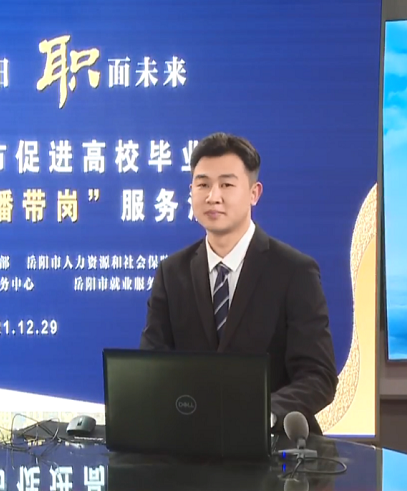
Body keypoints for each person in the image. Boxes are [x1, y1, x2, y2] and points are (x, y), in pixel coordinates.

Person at [139, 132, 338, 434]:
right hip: (189, 441)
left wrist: (262, 413)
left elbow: (318, 375)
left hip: (271, 443)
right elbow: (152, 366)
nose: (213, 196)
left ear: (254, 193)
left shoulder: (295, 271)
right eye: (202, 184)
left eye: (227, 185)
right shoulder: (171, 272)